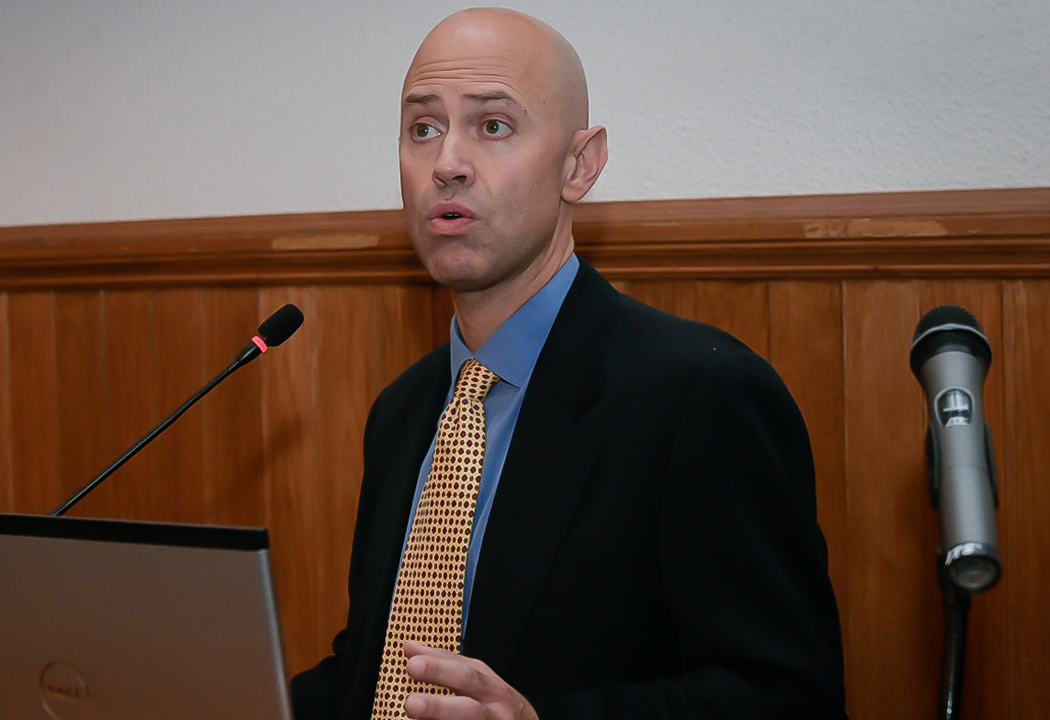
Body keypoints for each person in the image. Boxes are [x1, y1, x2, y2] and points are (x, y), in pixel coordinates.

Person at [291, 8, 846, 720]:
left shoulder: (702, 396)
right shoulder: (402, 411)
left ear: (579, 165)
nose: (447, 163)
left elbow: (790, 700)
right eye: (422, 128)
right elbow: (375, 674)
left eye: (493, 126)